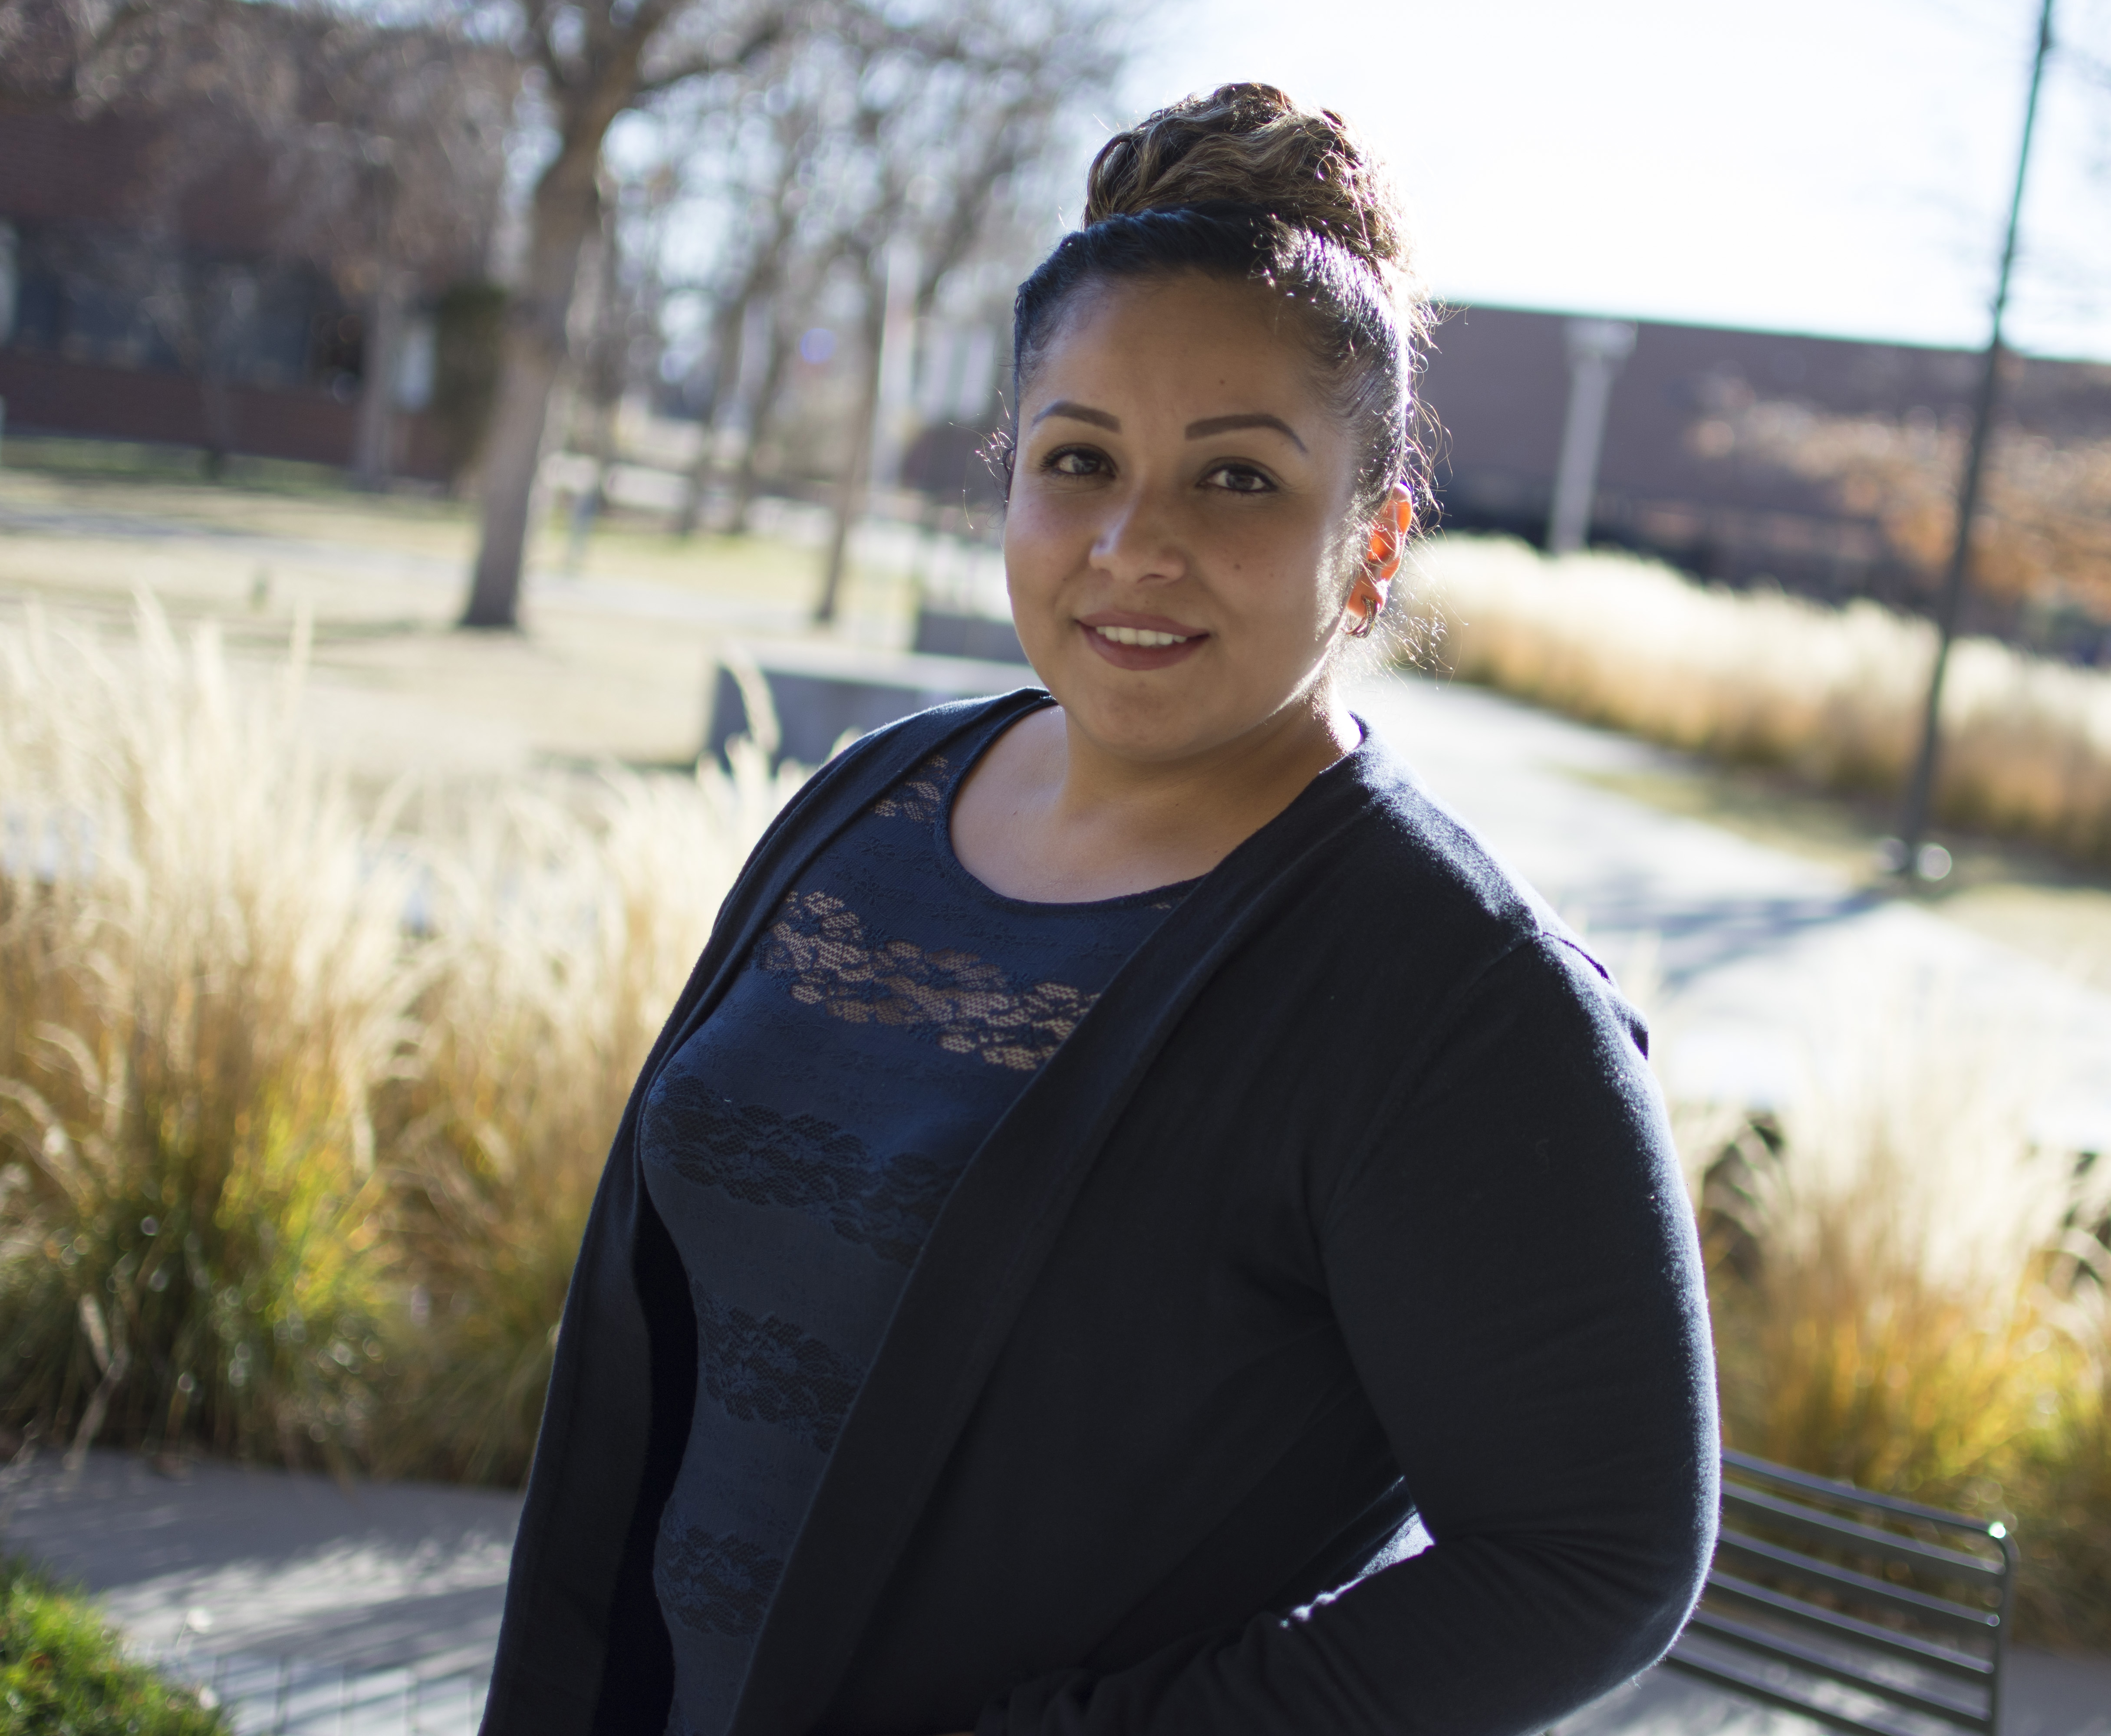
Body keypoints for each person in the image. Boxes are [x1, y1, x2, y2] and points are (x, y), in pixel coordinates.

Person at [479, 83, 1716, 1736]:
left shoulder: (1455, 993)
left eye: (1239, 481)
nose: (1135, 544)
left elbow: (1598, 1553)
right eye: (1081, 461)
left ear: (1372, 549)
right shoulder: (870, 803)